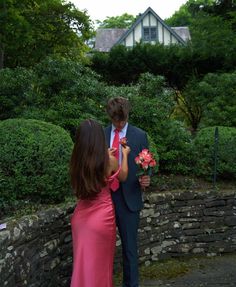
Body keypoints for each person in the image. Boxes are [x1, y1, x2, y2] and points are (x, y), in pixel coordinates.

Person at [70, 119, 130, 287]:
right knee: (100, 267)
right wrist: (124, 156)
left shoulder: (76, 162)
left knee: (83, 265)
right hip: (101, 219)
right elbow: (123, 176)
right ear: (99, 138)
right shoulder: (108, 161)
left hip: (80, 219)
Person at [105, 97, 150, 287]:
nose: (119, 123)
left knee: (130, 250)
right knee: (102, 250)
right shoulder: (101, 134)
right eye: (116, 120)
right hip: (104, 200)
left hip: (130, 200)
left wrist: (147, 178)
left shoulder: (140, 135)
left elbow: (146, 163)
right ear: (110, 116)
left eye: (122, 120)